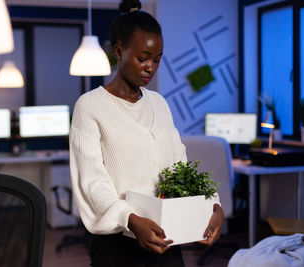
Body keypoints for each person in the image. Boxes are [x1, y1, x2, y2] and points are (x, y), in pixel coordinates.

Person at [69, 0, 224, 266]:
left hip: (166, 236)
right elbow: (93, 183)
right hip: (117, 245)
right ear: (119, 52)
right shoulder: (90, 106)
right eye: (143, 58)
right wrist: (130, 219)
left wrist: (214, 205)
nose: (151, 67)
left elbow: (180, 165)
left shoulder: (159, 104)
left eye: (157, 59)